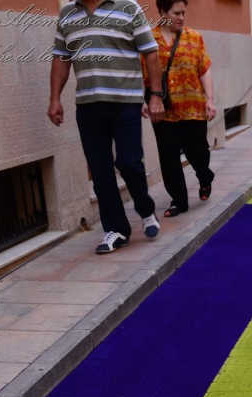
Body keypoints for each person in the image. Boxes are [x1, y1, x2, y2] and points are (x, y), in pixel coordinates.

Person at [49, 0, 163, 255]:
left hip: (127, 102)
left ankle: (145, 209)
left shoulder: (128, 7)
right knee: (100, 171)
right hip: (88, 105)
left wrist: (155, 95)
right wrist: (55, 98)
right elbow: (61, 58)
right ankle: (117, 229)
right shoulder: (67, 14)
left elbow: (150, 52)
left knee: (130, 163)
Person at [144, 0, 215, 218]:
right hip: (163, 109)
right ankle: (179, 200)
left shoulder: (194, 37)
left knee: (198, 152)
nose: (181, 17)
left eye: (184, 13)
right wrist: (142, 100)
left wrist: (210, 100)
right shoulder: (149, 39)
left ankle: (205, 177)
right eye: (176, 13)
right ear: (163, 12)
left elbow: (204, 70)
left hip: (193, 107)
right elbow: (142, 72)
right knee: (169, 156)